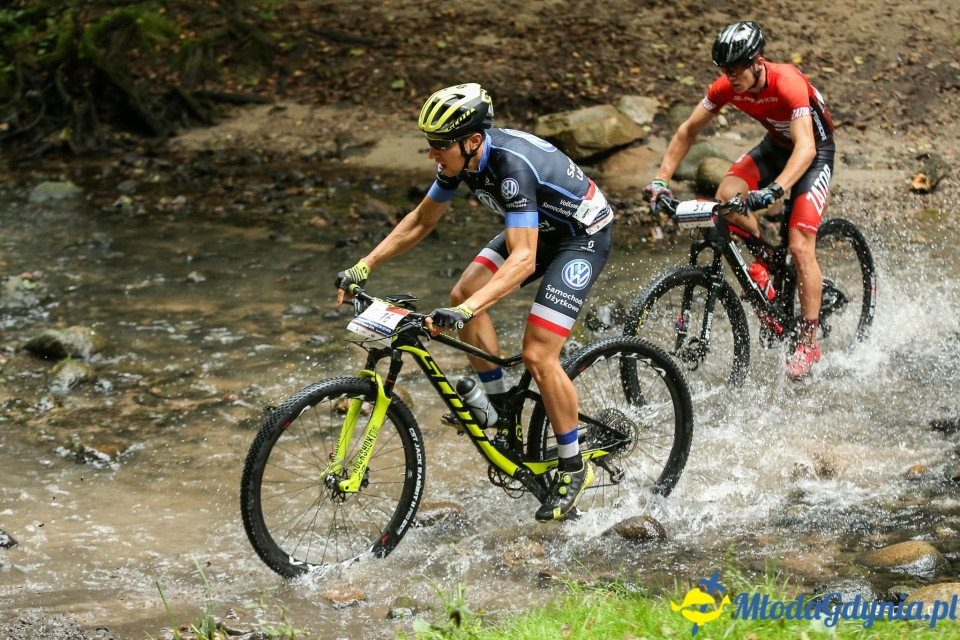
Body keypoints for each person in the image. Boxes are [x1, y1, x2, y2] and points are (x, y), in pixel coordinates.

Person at [335, 83, 614, 521]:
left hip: (580, 237)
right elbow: (422, 220)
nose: (432, 155)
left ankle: (574, 466)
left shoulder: (510, 168)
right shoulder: (459, 160)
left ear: (473, 141)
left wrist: (465, 315)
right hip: (538, 228)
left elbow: (522, 260)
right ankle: (503, 413)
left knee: (539, 355)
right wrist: (364, 265)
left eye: (438, 146)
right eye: (430, 145)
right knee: (464, 291)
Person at [643, 21, 835, 380]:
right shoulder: (727, 87)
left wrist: (776, 189)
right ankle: (764, 263)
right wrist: (660, 179)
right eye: (724, 71)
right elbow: (687, 130)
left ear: (757, 63)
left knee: (799, 244)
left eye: (735, 71)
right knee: (726, 197)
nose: (729, 78)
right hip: (776, 148)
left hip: (814, 152)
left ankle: (808, 341)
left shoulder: (787, 81)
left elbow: (806, 147)